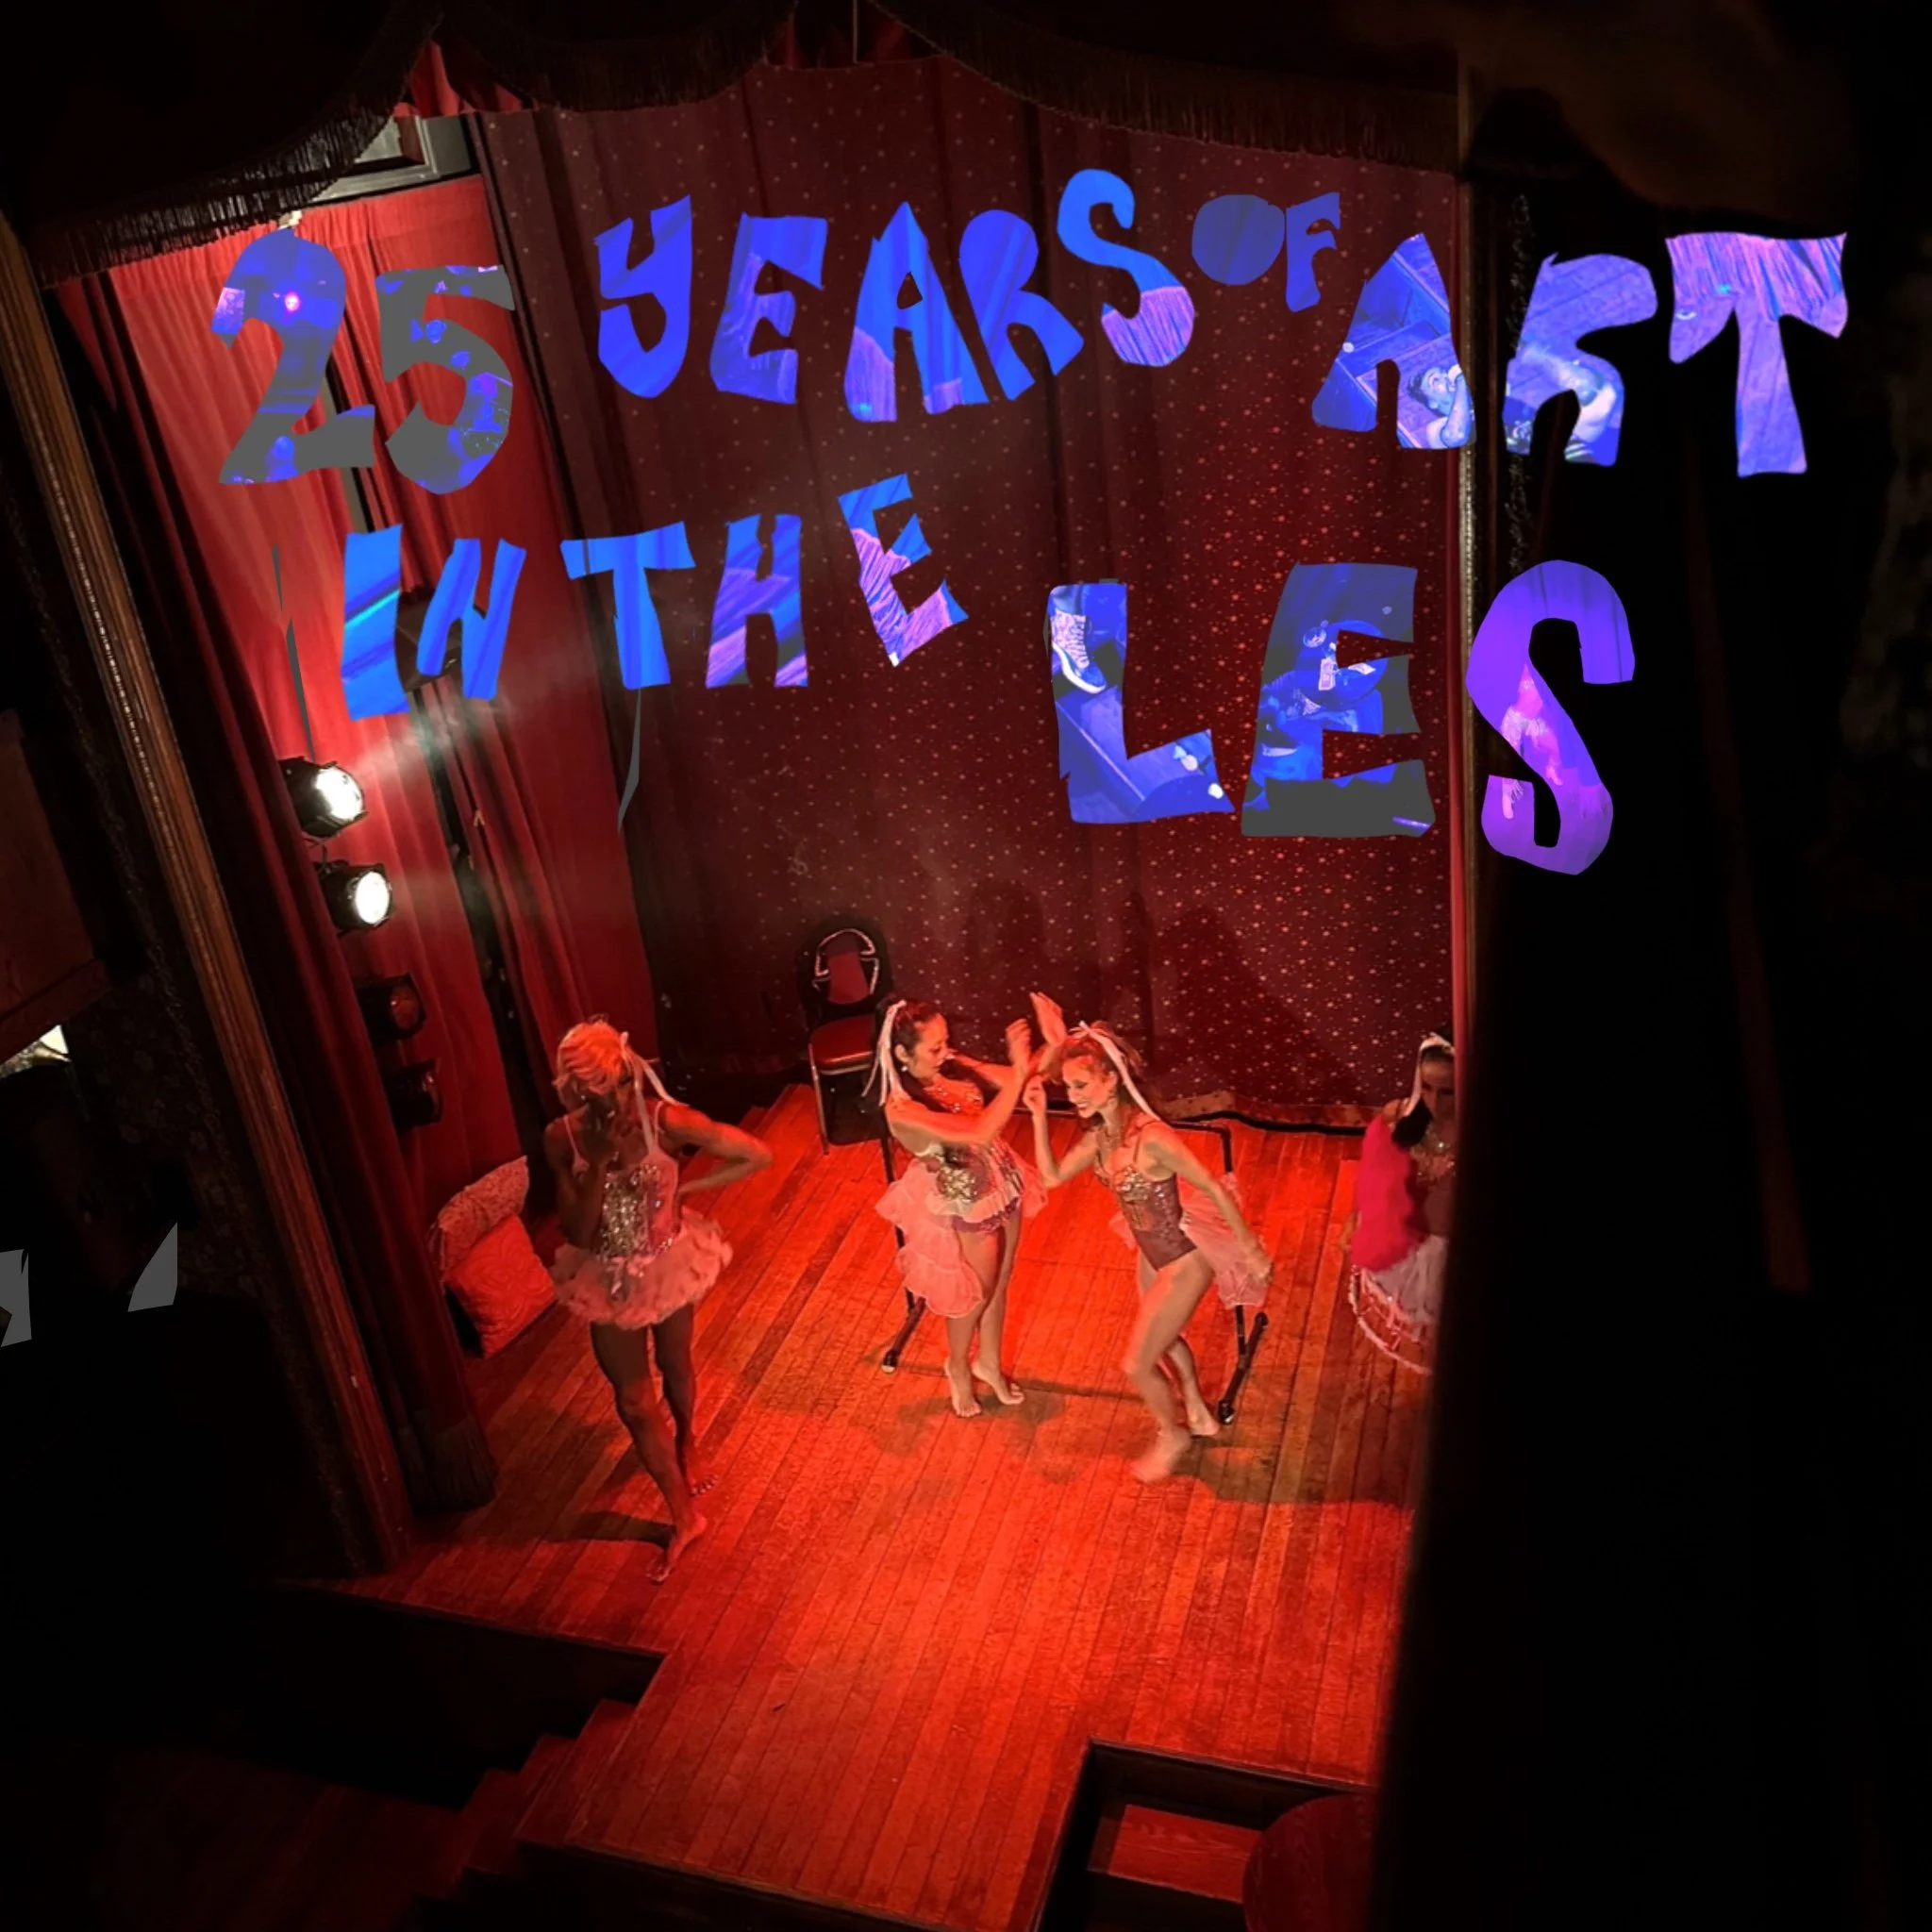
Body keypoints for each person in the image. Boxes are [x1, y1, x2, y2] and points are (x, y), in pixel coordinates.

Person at [544, 1019, 772, 1580]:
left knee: (675, 1362)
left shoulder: (666, 1121)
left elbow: (756, 1155)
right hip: (605, 1276)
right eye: (602, 1091)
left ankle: (688, 1438)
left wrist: (687, 1190)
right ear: (577, 1090)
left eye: (624, 1082)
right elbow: (579, 1232)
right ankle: (684, 1517)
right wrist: (598, 1162)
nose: (618, 1100)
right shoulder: (562, 1138)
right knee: (633, 1404)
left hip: (667, 1263)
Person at [1023, 996, 1273, 1482]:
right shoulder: (1102, 1137)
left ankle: (1172, 1433)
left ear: (1111, 1081)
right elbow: (1051, 1178)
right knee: (1163, 1340)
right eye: (1068, 1086)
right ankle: (1196, 1411)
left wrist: (1251, 1250)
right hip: (1150, 1253)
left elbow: (1211, 1187)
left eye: (1080, 1085)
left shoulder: (1151, 1137)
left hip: (1183, 1259)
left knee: (1136, 1363)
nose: (1072, 1095)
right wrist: (1036, 1115)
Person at [872, 998, 1044, 1419]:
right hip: (969, 1203)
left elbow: (1017, 1080)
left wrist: (1030, 1056)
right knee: (974, 1295)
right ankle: (958, 1366)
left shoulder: (948, 1068)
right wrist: (1021, 1068)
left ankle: (989, 1362)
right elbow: (980, 1131)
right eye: (934, 1047)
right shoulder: (902, 1110)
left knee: (1001, 1281)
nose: (945, 1051)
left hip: (1003, 1179)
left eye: (946, 1041)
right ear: (902, 1054)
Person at [1346, 1032, 1456, 1371]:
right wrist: (1353, 1220)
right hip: (1409, 1240)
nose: (1434, 1101)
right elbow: (1373, 1176)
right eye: (1427, 1087)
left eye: (1447, 1091)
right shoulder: (1400, 1117)